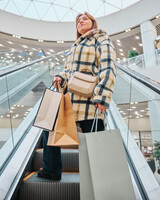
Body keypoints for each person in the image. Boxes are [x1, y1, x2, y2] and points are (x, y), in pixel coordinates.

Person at [38, 12, 117, 180]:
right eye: (78, 21)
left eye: (84, 19)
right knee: (49, 125)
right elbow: (68, 70)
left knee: (94, 141)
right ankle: (51, 170)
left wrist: (103, 96)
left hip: (90, 100)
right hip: (70, 100)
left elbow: (108, 66)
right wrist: (61, 76)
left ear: (93, 22)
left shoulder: (101, 39)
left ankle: (100, 179)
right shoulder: (75, 45)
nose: (80, 22)